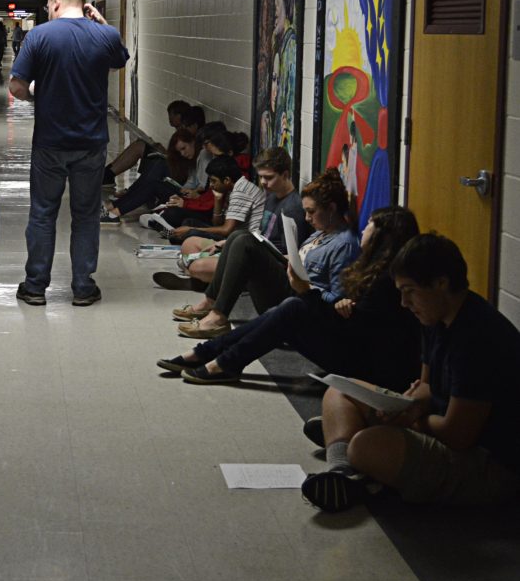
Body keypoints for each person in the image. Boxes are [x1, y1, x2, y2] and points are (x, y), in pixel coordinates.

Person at [302, 233, 520, 513]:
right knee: (339, 390)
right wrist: (408, 403)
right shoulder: (436, 318)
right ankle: (343, 472)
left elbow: (458, 435)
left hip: (489, 464)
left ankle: (353, 455)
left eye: (410, 291)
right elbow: (427, 386)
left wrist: (410, 421)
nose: (404, 303)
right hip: (443, 427)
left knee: (366, 445)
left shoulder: (477, 337)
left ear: (441, 283)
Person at [158, 206, 420, 390]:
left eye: (370, 227)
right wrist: (343, 304)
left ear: (383, 238)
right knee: (288, 308)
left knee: (293, 307)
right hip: (350, 345)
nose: (364, 231)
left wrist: (310, 293)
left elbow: (356, 330)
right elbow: (356, 318)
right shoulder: (373, 269)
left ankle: (220, 360)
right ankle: (212, 355)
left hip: (361, 364)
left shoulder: (389, 281)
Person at [9, 0, 128, 306]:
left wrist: (40, 94)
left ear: (57, 1)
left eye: (49, 5)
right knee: (86, 215)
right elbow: (120, 59)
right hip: (91, 144)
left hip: (49, 143)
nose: (48, 10)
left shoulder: (39, 36)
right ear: (85, 3)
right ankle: (83, 287)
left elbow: (17, 87)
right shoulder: (105, 35)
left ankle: (35, 287)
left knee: (43, 213)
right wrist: (103, 24)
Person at [174, 168, 361, 338]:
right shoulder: (321, 232)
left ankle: (217, 317)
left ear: (331, 209)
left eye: (311, 212)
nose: (307, 218)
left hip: (298, 299)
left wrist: (306, 286)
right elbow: (300, 260)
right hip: (289, 282)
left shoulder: (344, 244)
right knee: (238, 236)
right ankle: (210, 302)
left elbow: (337, 298)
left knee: (245, 242)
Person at [153, 145, 309, 290]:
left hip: (262, 262)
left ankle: (201, 283)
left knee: (196, 266)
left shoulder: (293, 208)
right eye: (261, 177)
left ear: (286, 175)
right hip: (250, 248)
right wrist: (228, 243)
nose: (263, 183)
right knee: (189, 244)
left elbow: (290, 258)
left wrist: (238, 252)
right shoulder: (271, 197)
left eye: (268, 177)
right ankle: (208, 280)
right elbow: (257, 235)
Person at [100, 129, 197, 224]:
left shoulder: (203, 158)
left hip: (191, 198)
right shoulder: (192, 160)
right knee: (158, 166)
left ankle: (114, 210)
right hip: (184, 192)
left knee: (155, 177)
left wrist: (194, 192)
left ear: (193, 142)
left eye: (184, 148)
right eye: (180, 151)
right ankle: (113, 208)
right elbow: (191, 182)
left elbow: (202, 188)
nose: (183, 154)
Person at [102, 99, 191, 186]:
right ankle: (107, 173)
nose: (169, 118)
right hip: (172, 167)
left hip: (174, 173)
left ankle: (107, 175)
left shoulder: (185, 135)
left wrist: (163, 152)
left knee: (139, 147)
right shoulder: (180, 132)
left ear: (179, 116)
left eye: (171, 115)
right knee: (140, 144)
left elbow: (179, 160)